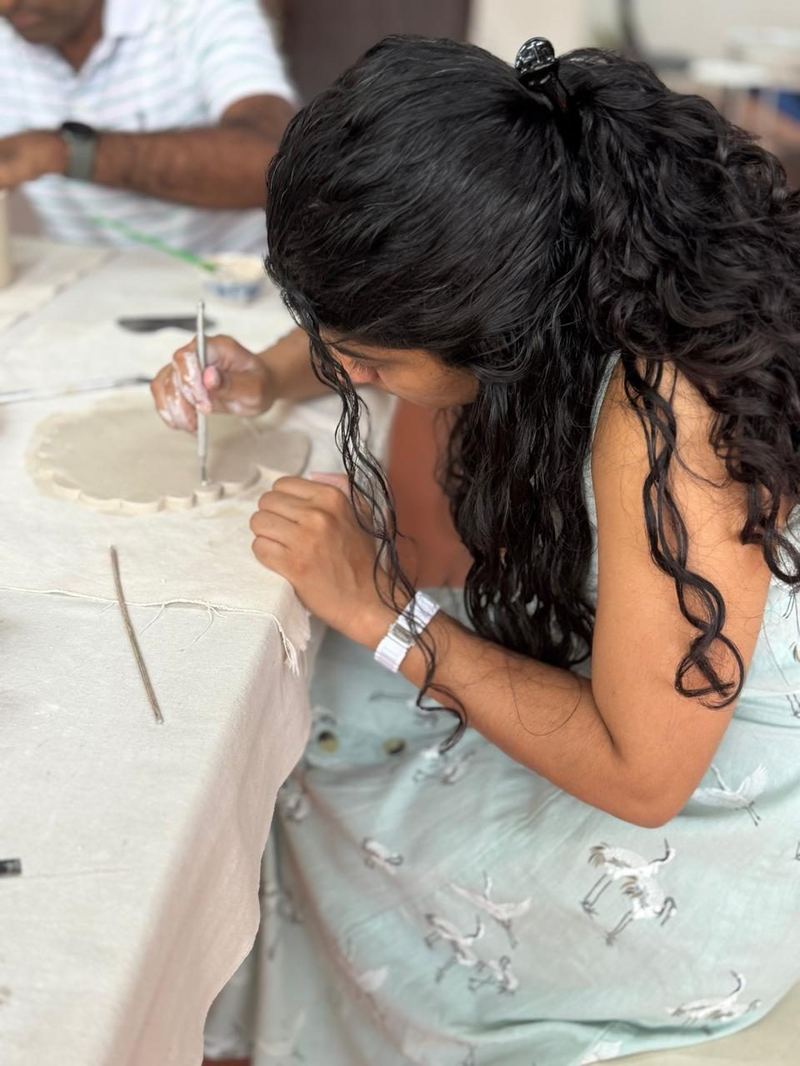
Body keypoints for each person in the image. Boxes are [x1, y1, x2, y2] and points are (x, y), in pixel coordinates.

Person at [152, 36, 800, 1066]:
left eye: (365, 360)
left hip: (699, 828)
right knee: (300, 709)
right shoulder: (577, 228)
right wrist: (265, 375)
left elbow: (644, 779)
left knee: (303, 778)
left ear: (490, 322)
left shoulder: (669, 419)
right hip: (640, 688)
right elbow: (395, 320)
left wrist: (384, 611)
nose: (346, 370)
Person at [0, 0, 295, 253]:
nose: (8, 5)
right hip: (86, 287)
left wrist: (68, 153)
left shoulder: (198, 10)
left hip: (233, 283)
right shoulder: (9, 36)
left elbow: (276, 166)